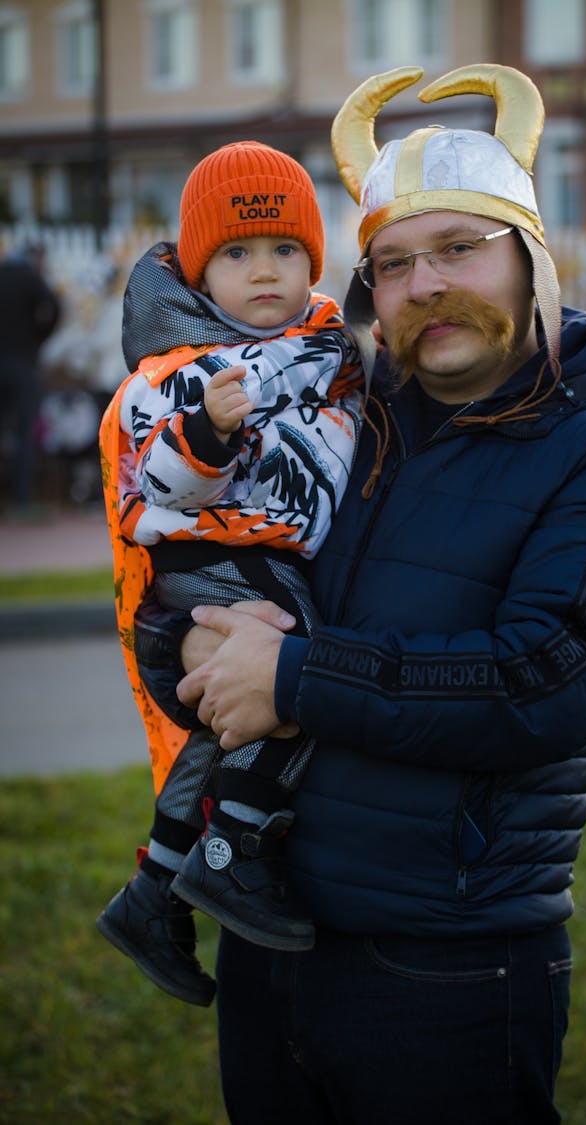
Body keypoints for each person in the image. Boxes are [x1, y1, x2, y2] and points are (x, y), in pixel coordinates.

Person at [154, 65, 586, 1122]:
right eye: (392, 263)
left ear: (534, 255)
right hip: (266, 936)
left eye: (459, 248)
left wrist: (296, 676)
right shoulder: (349, 421)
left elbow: (550, 679)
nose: (423, 285)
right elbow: (209, 546)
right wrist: (203, 636)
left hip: (447, 966)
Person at [96, 141, 363, 1008]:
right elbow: (157, 481)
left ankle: (153, 892)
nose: (265, 272)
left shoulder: (322, 344)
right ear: (199, 268)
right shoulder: (176, 368)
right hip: (206, 554)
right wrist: (207, 433)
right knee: (303, 671)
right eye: (238, 254)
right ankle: (234, 850)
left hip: (272, 554)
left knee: (224, 723)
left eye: (286, 250)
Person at [0, 243, 61, 512]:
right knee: (25, 433)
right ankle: (22, 499)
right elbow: (55, 307)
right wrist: (39, 338)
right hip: (24, 363)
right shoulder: (30, 277)